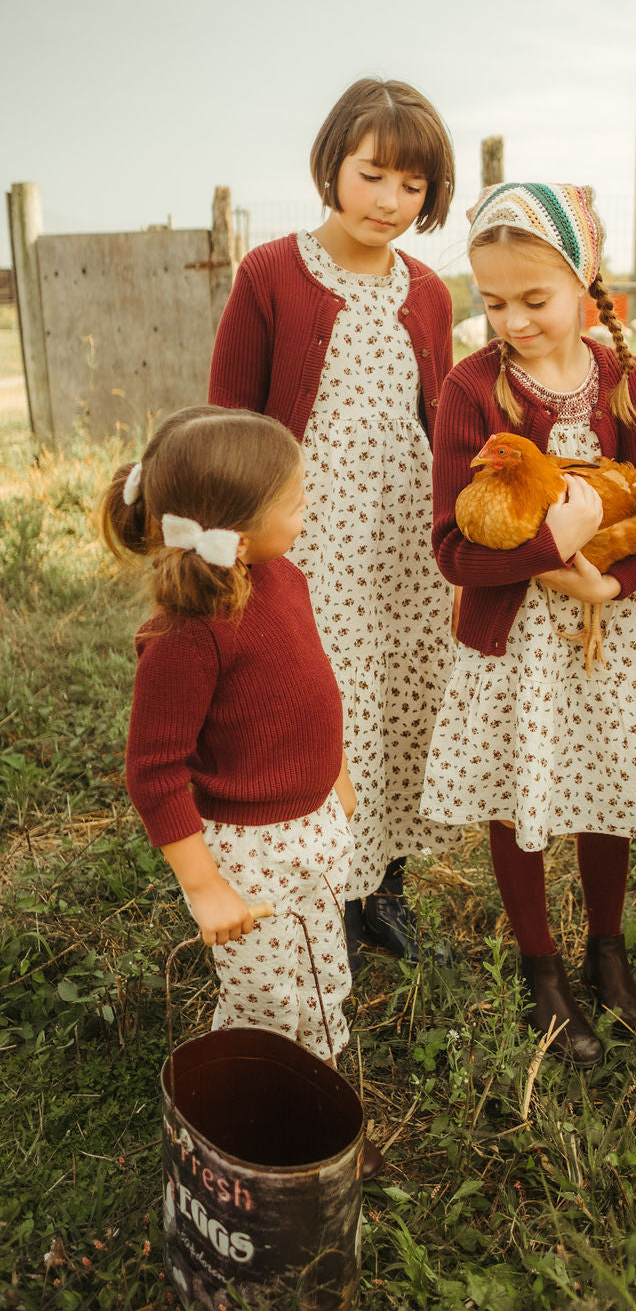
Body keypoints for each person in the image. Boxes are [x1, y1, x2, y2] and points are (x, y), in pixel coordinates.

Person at [423, 182, 636, 1066]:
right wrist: (549, 546)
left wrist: (614, 587)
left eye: (534, 299)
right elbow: (453, 552)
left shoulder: (630, 380)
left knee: (605, 784)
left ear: (586, 281)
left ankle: (607, 951)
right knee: (520, 793)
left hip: (605, 631)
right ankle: (543, 970)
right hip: (516, 646)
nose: (512, 320)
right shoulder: (472, 390)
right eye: (492, 301)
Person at [208, 78, 458, 971]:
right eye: (374, 175)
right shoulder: (273, 274)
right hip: (313, 543)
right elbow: (229, 421)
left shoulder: (428, 292)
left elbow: (442, 420)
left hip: (406, 544)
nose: (391, 201)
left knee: (399, 704)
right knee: (326, 708)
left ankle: (384, 886)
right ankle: (328, 894)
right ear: (333, 166)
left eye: (414, 186)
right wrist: (221, 547)